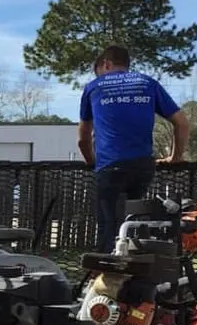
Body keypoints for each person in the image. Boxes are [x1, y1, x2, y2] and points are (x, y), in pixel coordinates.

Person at [77, 45, 190, 252]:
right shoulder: (148, 83)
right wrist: (175, 157)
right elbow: (182, 123)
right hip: (143, 166)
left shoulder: (94, 87)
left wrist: (91, 161)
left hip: (110, 166)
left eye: (99, 71)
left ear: (106, 64)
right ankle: (136, 276)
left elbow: (83, 138)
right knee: (135, 224)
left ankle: (104, 276)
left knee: (109, 227)